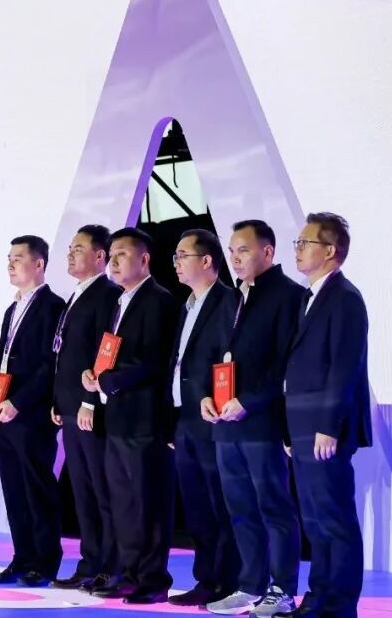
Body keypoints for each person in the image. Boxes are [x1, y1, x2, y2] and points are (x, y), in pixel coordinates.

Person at [207, 220, 303, 616]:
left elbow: (285, 362)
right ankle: (250, 585)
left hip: (263, 422)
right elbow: (218, 356)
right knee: (240, 508)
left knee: (274, 507)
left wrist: (248, 400)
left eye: (243, 250)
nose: (235, 257)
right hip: (226, 423)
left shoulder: (289, 295)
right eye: (232, 250)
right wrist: (207, 397)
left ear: (268, 252)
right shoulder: (234, 296)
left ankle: (282, 589)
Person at [281, 213, 371, 618]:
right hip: (301, 426)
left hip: (324, 429)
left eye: (306, 243)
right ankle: (318, 598)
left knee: (334, 518)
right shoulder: (308, 297)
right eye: (298, 242)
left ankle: (340, 605)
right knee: (315, 520)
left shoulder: (345, 298)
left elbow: (344, 367)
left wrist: (328, 426)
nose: (298, 249)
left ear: (330, 250)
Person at [82, 227, 178, 605]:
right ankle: (128, 572)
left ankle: (152, 579)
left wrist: (109, 379)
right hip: (116, 417)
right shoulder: (118, 301)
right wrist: (94, 375)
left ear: (144, 259)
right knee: (122, 502)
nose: (114, 262)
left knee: (147, 503)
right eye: (111, 255)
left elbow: (154, 360)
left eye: (122, 254)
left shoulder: (159, 301)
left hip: (144, 418)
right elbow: (110, 354)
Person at [0, 236, 65, 587]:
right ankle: (23, 557)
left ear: (39, 263)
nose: (10, 264)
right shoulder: (11, 309)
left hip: (32, 414)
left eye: (18, 258)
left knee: (36, 487)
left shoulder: (53, 306)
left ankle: (44, 562)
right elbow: (2, 362)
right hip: (3, 414)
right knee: (14, 489)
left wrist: (18, 402)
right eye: (9, 258)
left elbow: (49, 365)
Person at [165, 230, 240, 607]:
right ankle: (206, 578)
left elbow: (228, 358)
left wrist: (215, 398)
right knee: (196, 505)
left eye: (183, 256)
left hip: (213, 416)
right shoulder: (188, 305)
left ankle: (227, 579)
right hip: (185, 418)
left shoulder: (227, 301)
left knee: (219, 503)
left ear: (207, 260)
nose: (176, 263)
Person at [51, 225, 123, 591]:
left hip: (90, 408)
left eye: (78, 248)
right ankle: (90, 561)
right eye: (69, 247)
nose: (70, 254)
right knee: (81, 491)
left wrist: (88, 401)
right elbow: (64, 353)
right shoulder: (77, 294)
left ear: (99, 256)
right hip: (69, 408)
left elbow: (101, 354)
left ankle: (111, 565)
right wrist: (58, 401)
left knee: (101, 490)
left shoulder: (107, 294)